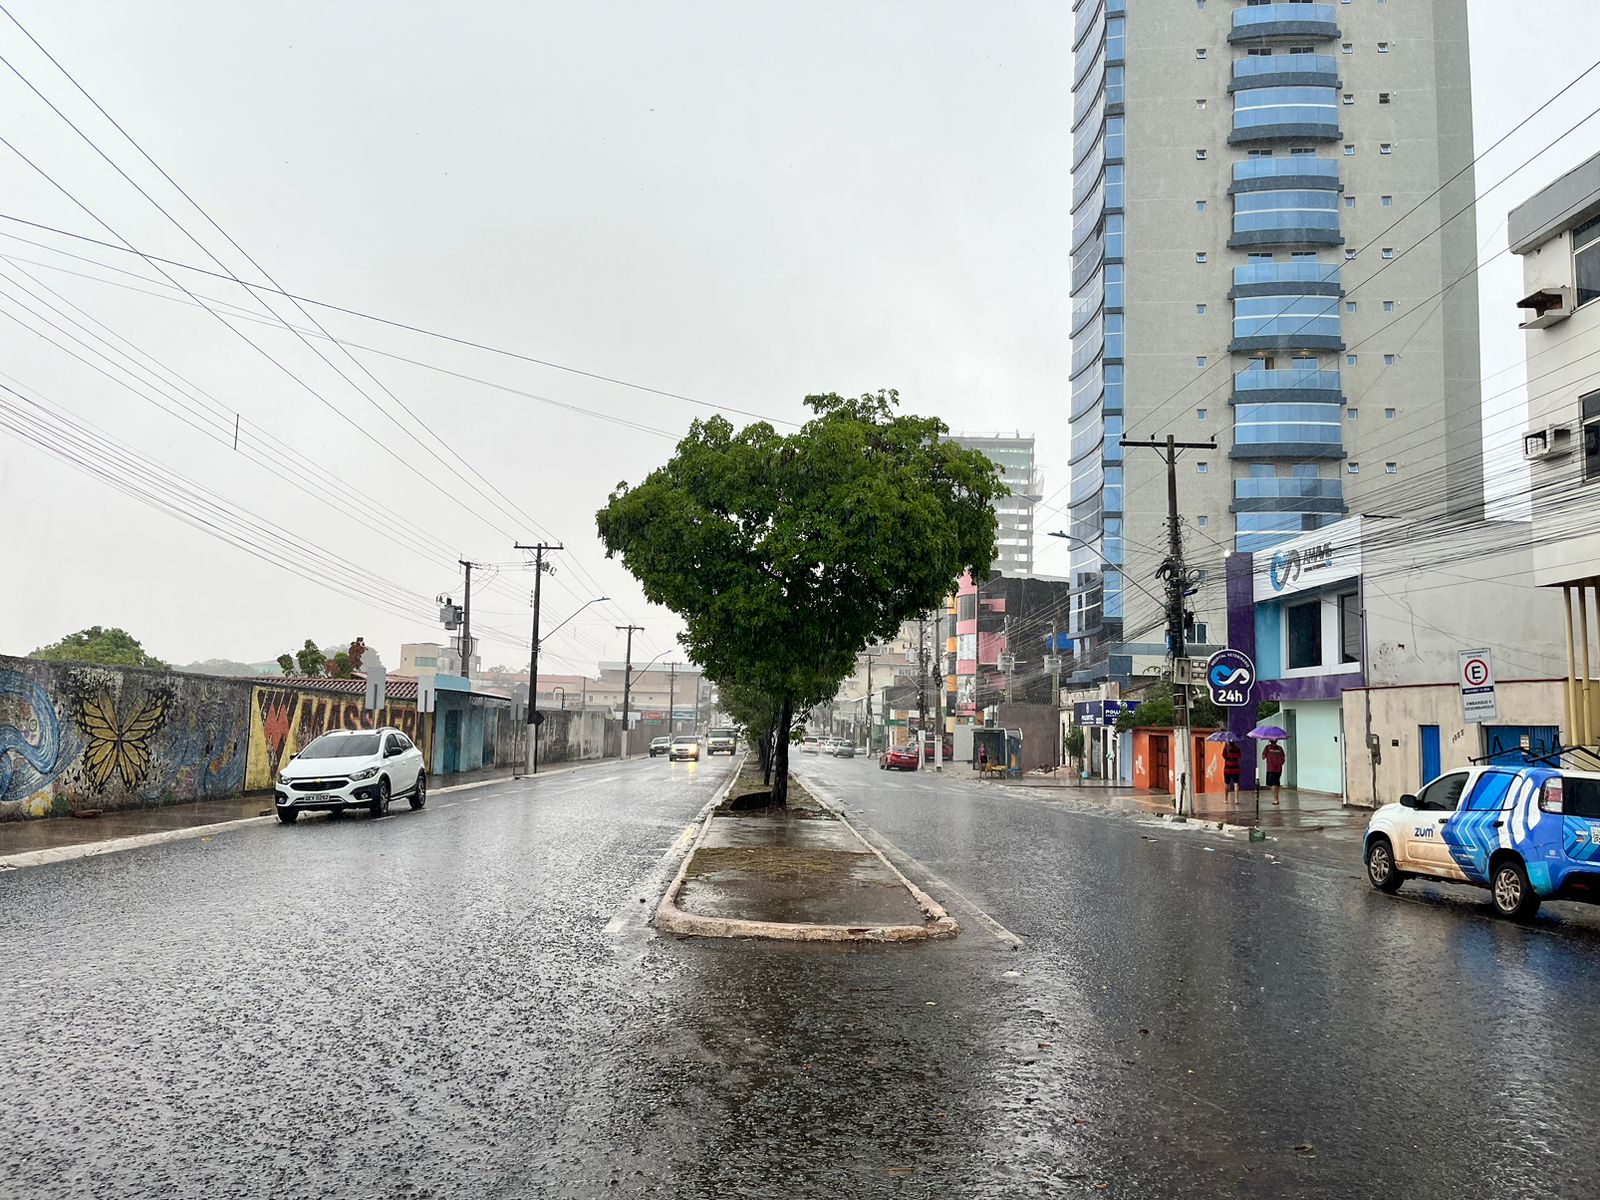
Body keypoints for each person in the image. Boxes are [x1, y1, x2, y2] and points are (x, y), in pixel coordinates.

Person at [1262, 738, 1287, 805]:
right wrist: (1279, 764)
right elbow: (1283, 758)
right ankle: (1277, 798)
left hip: (1271, 769)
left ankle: (1275, 799)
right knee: (1277, 783)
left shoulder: (1267, 747)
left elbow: (1263, 757)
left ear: (1270, 740)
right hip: (1278, 769)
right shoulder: (1280, 748)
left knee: (1273, 784)